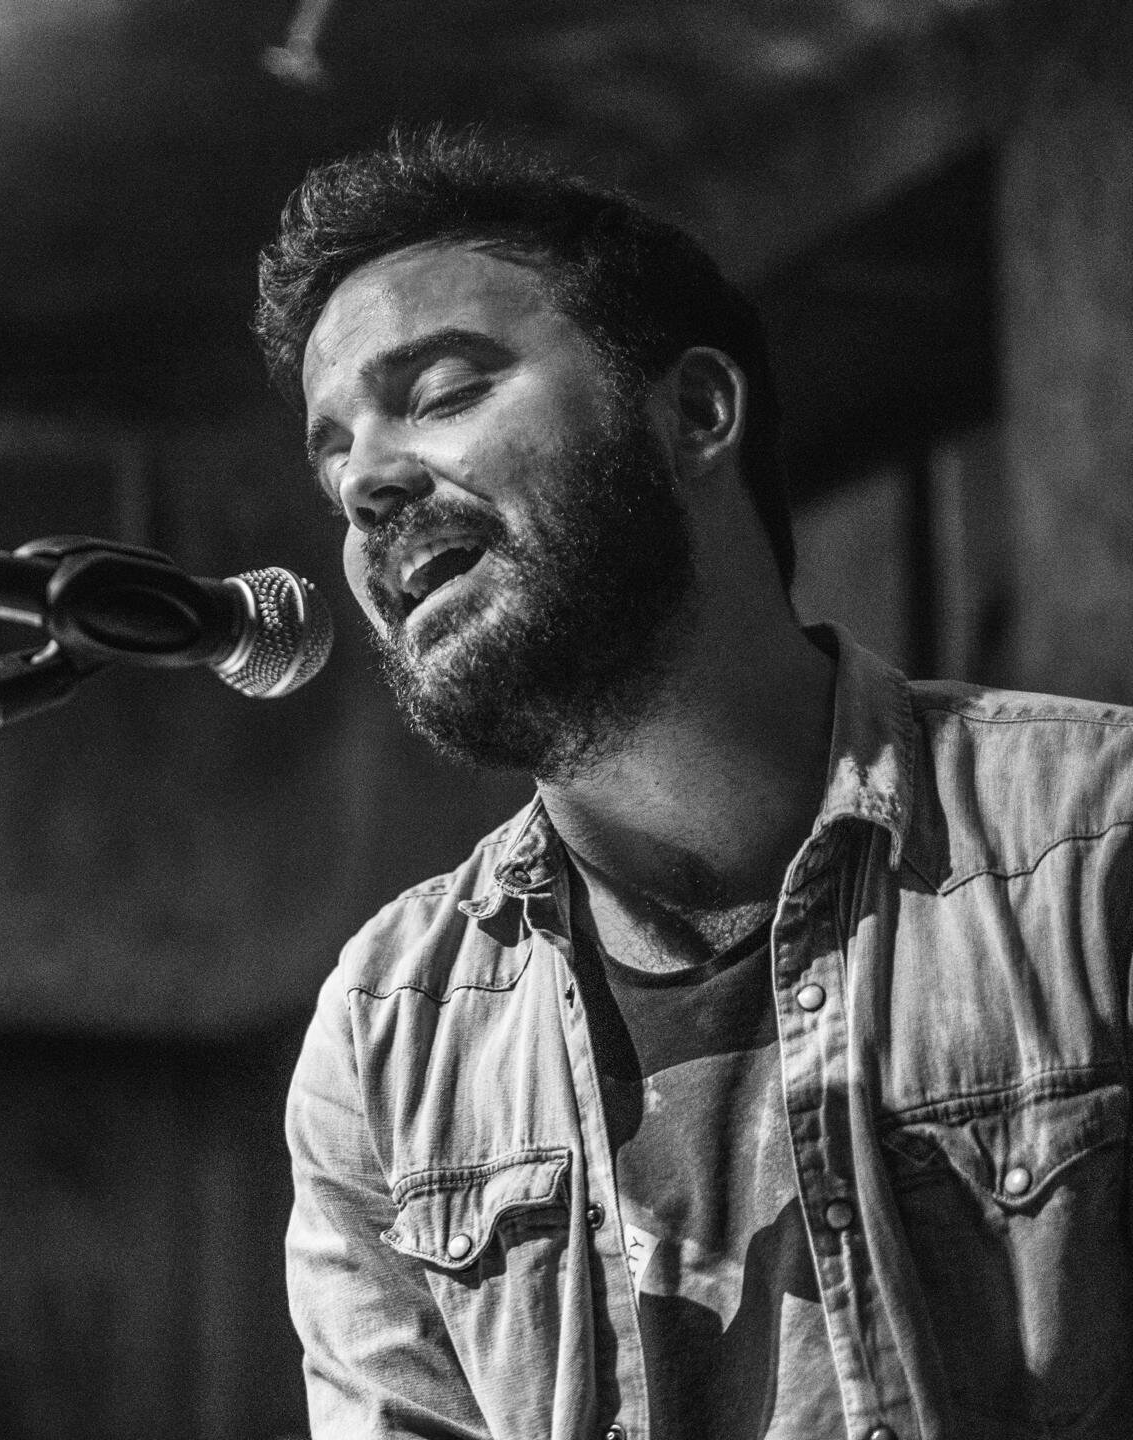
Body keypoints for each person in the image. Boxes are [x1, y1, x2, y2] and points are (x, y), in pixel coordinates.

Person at [256, 128, 1132, 1440]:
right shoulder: (386, 1038)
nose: (369, 485)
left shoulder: (1099, 846)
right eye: (336, 466)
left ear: (698, 413)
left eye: (441, 392)